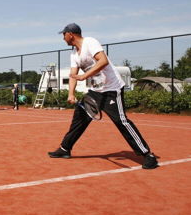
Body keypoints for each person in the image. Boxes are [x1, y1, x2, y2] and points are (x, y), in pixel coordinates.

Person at [48, 23, 158, 169]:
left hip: (112, 89)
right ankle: (64, 149)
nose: (63, 38)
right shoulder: (74, 54)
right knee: (79, 117)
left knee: (121, 121)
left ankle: (147, 155)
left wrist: (85, 75)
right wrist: (71, 93)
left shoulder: (90, 42)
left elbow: (103, 61)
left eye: (64, 35)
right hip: (96, 91)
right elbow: (73, 75)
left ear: (71, 34)